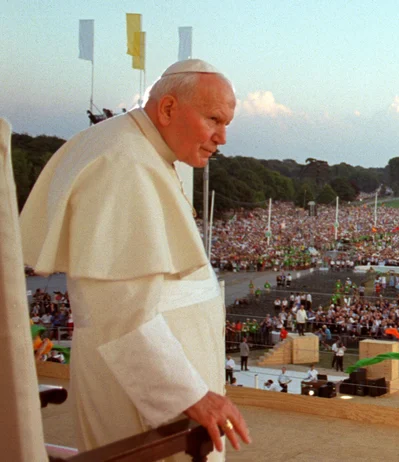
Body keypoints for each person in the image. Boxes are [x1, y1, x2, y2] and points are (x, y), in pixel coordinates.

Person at [19, 59, 250, 458]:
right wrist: (190, 393)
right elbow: (117, 310)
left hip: (153, 388)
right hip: (142, 399)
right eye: (214, 119)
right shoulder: (122, 161)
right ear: (168, 109)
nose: (222, 137)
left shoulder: (138, 149)